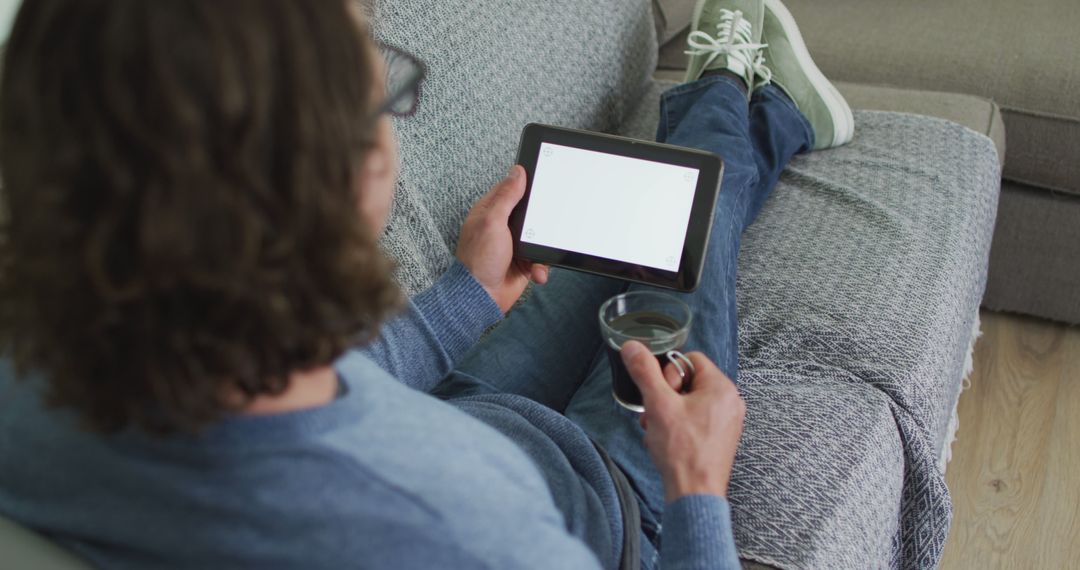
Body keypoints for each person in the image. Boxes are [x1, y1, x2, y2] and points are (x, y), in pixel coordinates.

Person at [0, 0, 851, 568]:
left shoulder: (26, 375)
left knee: (646, 218)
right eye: (384, 101)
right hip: (606, 501)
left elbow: (289, 398)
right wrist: (698, 491)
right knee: (693, 237)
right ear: (348, 179)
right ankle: (745, 95)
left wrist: (464, 297)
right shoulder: (467, 532)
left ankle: (746, 98)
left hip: (444, 407)